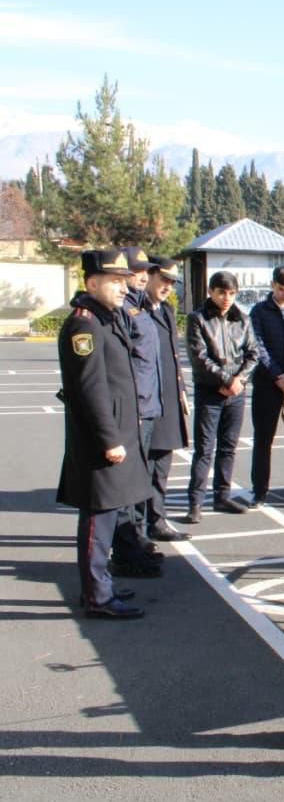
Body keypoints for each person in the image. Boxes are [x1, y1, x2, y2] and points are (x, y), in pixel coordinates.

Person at [57, 250, 151, 618]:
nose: (123, 286)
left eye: (123, 279)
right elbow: (91, 388)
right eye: (114, 280)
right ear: (91, 283)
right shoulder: (85, 325)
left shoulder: (105, 318)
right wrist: (109, 439)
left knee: (109, 515)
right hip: (102, 441)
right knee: (99, 517)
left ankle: (101, 587)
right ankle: (97, 596)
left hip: (115, 433)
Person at [108, 247, 166, 578]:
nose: (142, 275)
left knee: (138, 483)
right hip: (134, 409)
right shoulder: (122, 311)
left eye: (145, 270)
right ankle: (126, 555)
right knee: (125, 488)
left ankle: (136, 544)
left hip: (148, 407)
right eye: (135, 270)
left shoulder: (141, 308)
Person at [185, 271, 260, 523]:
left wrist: (238, 380)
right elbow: (199, 357)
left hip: (236, 392)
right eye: (221, 292)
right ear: (211, 291)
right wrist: (226, 380)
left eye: (231, 293)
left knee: (228, 447)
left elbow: (253, 353)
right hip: (210, 391)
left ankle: (222, 495)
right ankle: (195, 502)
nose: (226, 298)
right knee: (204, 448)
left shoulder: (242, 319)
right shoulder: (198, 319)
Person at [142, 256, 191, 543]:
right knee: (145, 467)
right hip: (148, 400)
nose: (168, 287)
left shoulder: (166, 311)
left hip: (169, 399)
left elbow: (173, 356)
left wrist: (181, 390)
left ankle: (156, 519)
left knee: (162, 465)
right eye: (164, 280)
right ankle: (139, 526)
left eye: (172, 283)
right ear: (149, 276)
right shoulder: (137, 311)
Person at [248, 265, 284, 508]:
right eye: (281, 289)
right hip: (267, 383)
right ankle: (259, 491)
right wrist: (277, 375)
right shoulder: (259, 311)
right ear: (272, 285)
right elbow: (258, 345)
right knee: (263, 439)